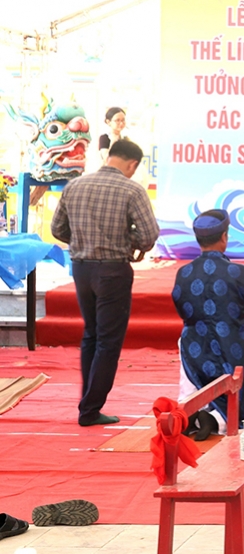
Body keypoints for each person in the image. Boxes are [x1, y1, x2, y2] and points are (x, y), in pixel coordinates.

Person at [51, 138, 159, 426]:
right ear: (132, 164)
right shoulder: (132, 189)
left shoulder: (75, 185)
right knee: (108, 342)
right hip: (113, 271)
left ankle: (89, 402)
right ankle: (89, 408)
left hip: (81, 269)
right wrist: (127, 241)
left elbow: (58, 229)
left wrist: (84, 242)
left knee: (92, 335)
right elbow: (149, 235)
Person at [171, 209, 244, 440]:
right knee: (241, 406)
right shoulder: (238, 272)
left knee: (193, 385)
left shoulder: (183, 273)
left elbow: (179, 304)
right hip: (232, 342)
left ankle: (194, 415)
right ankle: (217, 418)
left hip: (193, 342)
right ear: (224, 236)